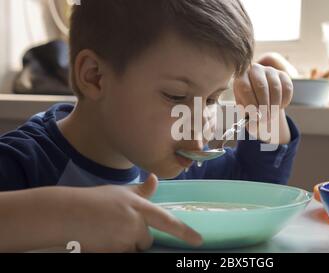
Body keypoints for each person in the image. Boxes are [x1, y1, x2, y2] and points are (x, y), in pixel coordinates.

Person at [0, 0, 300, 252]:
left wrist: (268, 115)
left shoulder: (178, 165)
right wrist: (66, 215)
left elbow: (259, 185)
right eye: (176, 96)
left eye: (211, 99)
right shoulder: (26, 162)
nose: (196, 123)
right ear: (94, 77)